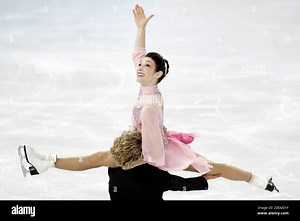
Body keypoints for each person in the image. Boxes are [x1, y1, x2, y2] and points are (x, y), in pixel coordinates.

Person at [18, 4, 279, 194]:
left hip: (150, 150)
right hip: (153, 141)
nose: (139, 67)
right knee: (210, 165)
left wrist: (132, 161)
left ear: (158, 74)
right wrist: (141, 28)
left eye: (146, 66)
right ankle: (258, 180)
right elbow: (138, 53)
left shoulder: (150, 108)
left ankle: (44, 163)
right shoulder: (148, 88)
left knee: (95, 159)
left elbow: (154, 154)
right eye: (140, 65)